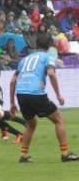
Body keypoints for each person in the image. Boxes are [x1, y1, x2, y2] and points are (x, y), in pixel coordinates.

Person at [10, 35, 79, 163]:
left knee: (31, 124)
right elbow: (51, 74)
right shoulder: (48, 57)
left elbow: (13, 80)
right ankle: (65, 154)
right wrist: (58, 94)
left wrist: (12, 103)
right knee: (58, 120)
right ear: (49, 46)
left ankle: (24, 156)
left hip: (21, 94)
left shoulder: (24, 59)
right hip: (36, 93)